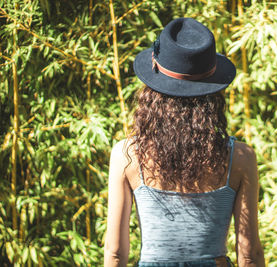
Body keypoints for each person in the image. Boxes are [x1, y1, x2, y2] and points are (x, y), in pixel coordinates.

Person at [104, 17, 265, 267]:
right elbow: (249, 253)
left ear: (153, 91)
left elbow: (115, 253)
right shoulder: (240, 158)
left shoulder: (127, 155)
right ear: (214, 94)